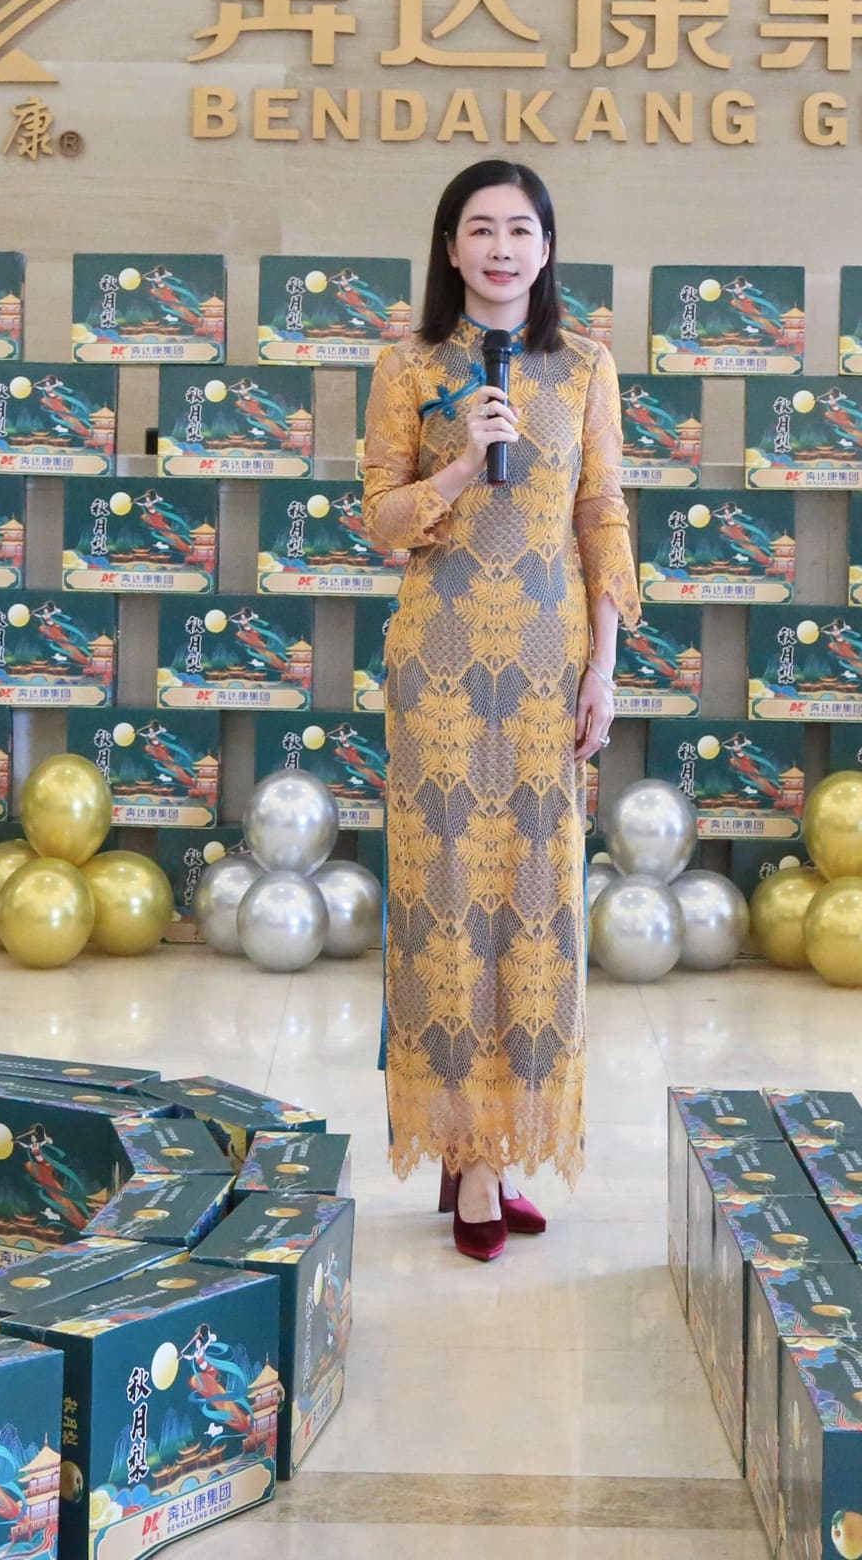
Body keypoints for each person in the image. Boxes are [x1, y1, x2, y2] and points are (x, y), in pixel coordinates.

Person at [360, 159, 634, 1261]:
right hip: (435, 668)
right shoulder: (407, 366)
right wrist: (461, 466)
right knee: (446, 906)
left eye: (521, 229)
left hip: (545, 667)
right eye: (480, 229)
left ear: (547, 247)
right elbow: (380, 521)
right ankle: (469, 1163)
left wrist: (603, 667)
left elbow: (601, 514)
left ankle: (502, 1143)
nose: (502, 248)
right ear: (449, 248)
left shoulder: (585, 366)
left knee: (533, 903)